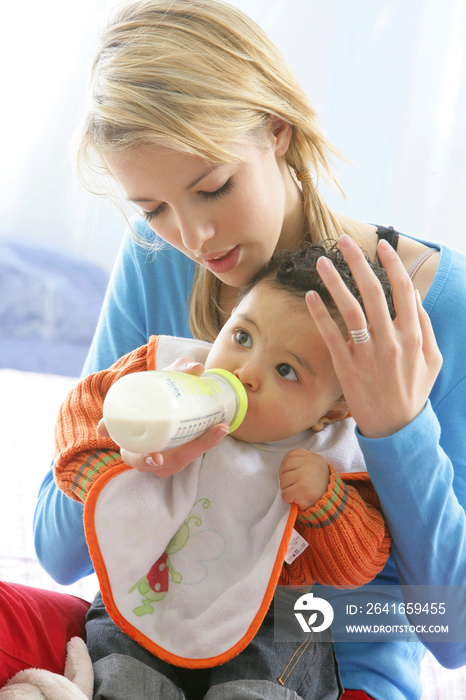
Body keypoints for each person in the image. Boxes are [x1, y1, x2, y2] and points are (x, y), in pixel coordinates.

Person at [30, 0, 466, 698]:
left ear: (277, 130)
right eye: (154, 209)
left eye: (213, 188)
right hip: (149, 639)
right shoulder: (156, 260)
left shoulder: (433, 309)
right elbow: (55, 552)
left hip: (324, 664)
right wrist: (129, 455)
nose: (195, 238)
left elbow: (451, 632)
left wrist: (396, 432)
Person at [53, 242, 393, 700]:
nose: (247, 372)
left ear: (331, 412)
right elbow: (80, 413)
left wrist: (326, 500)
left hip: (271, 609)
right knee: (122, 669)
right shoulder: (174, 376)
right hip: (152, 578)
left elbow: (363, 560)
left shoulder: (327, 453)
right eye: (243, 337)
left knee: (275, 665)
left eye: (287, 371)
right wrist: (119, 468)